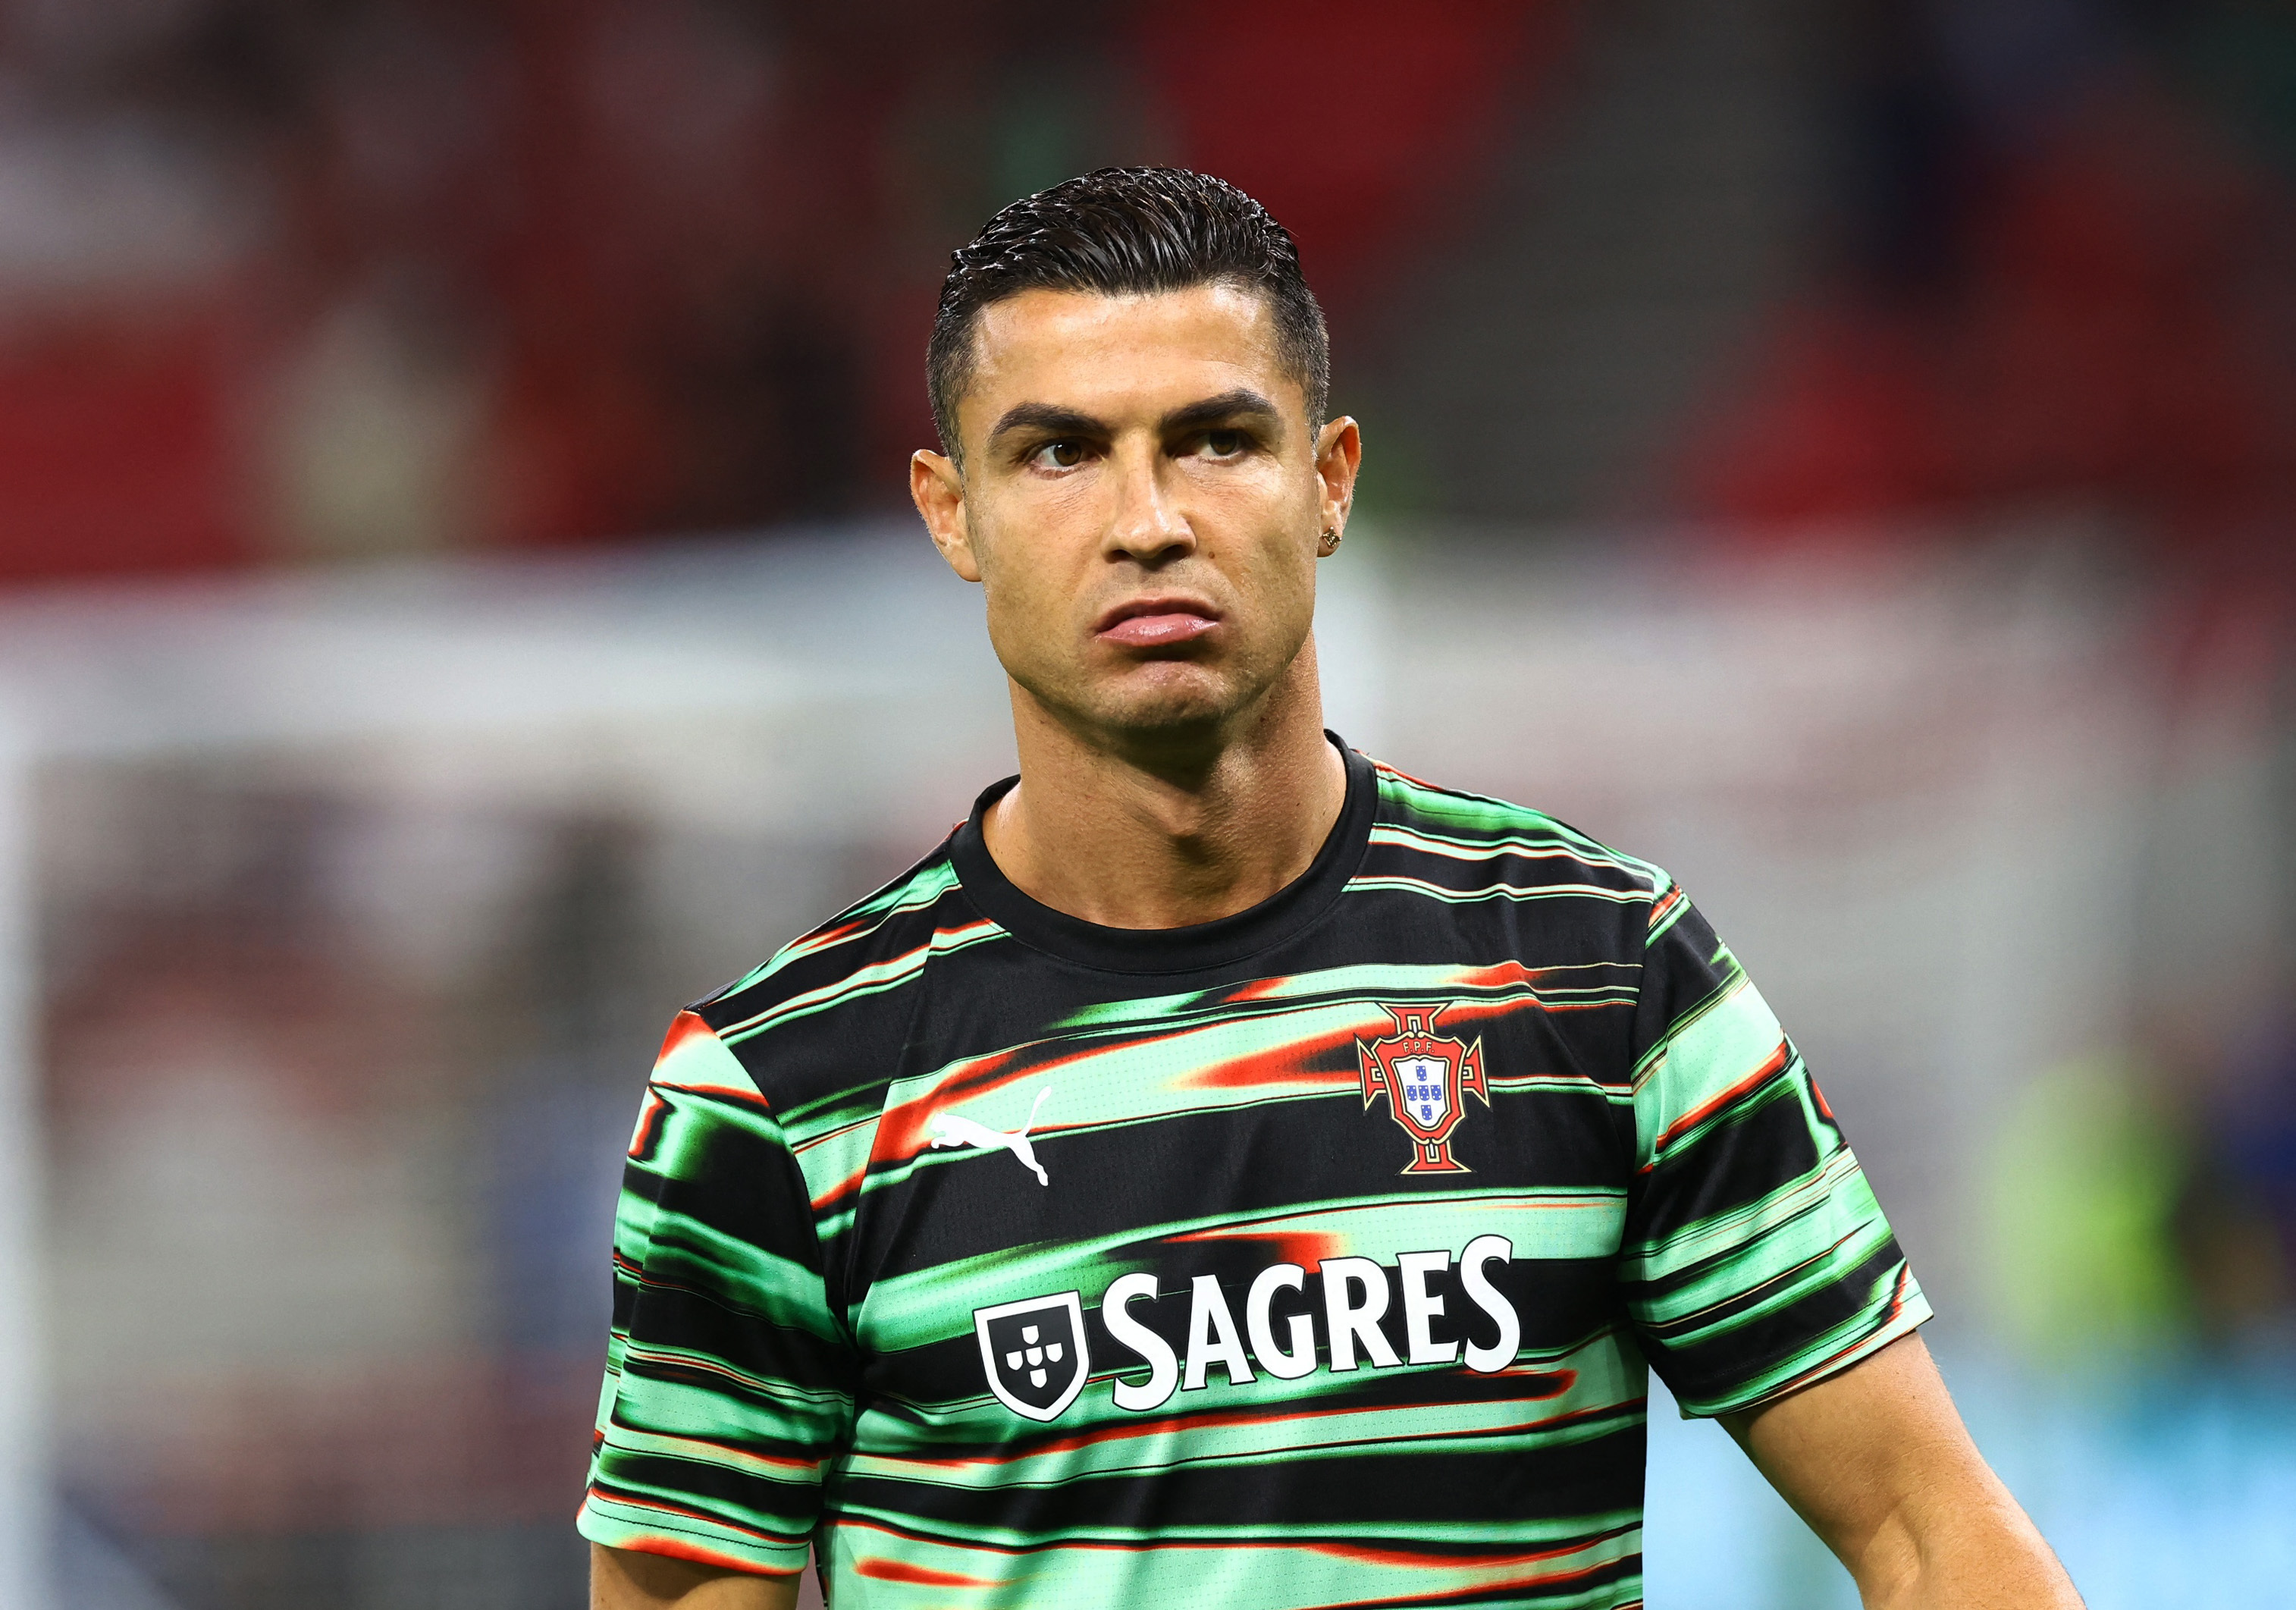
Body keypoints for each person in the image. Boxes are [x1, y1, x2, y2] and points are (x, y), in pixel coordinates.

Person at [580, 168, 2082, 1609]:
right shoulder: (779, 1092)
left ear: (1328, 479)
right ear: (948, 511)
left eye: (1215, 440)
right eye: (1057, 453)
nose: (1145, 519)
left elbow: (1929, 1532)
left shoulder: (1598, 979)